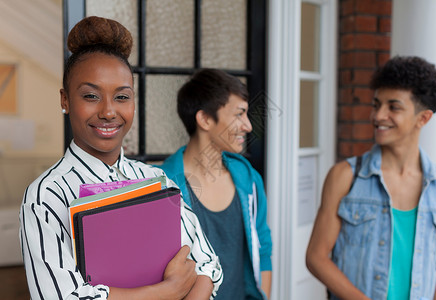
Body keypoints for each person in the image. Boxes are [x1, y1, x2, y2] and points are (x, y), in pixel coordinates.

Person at [19, 16, 222, 300]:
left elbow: (208, 267)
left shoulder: (156, 179)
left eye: (122, 97)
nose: (108, 112)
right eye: (91, 96)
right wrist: (168, 291)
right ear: (65, 100)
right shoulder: (46, 196)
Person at [306, 56, 436, 300]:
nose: (378, 115)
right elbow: (316, 257)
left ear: (423, 118)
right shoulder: (345, 177)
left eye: (393, 107)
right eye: (376, 105)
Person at [160, 69, 273, 300]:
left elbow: (263, 248)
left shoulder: (248, 178)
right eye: (239, 114)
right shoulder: (163, 186)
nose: (248, 126)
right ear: (205, 119)